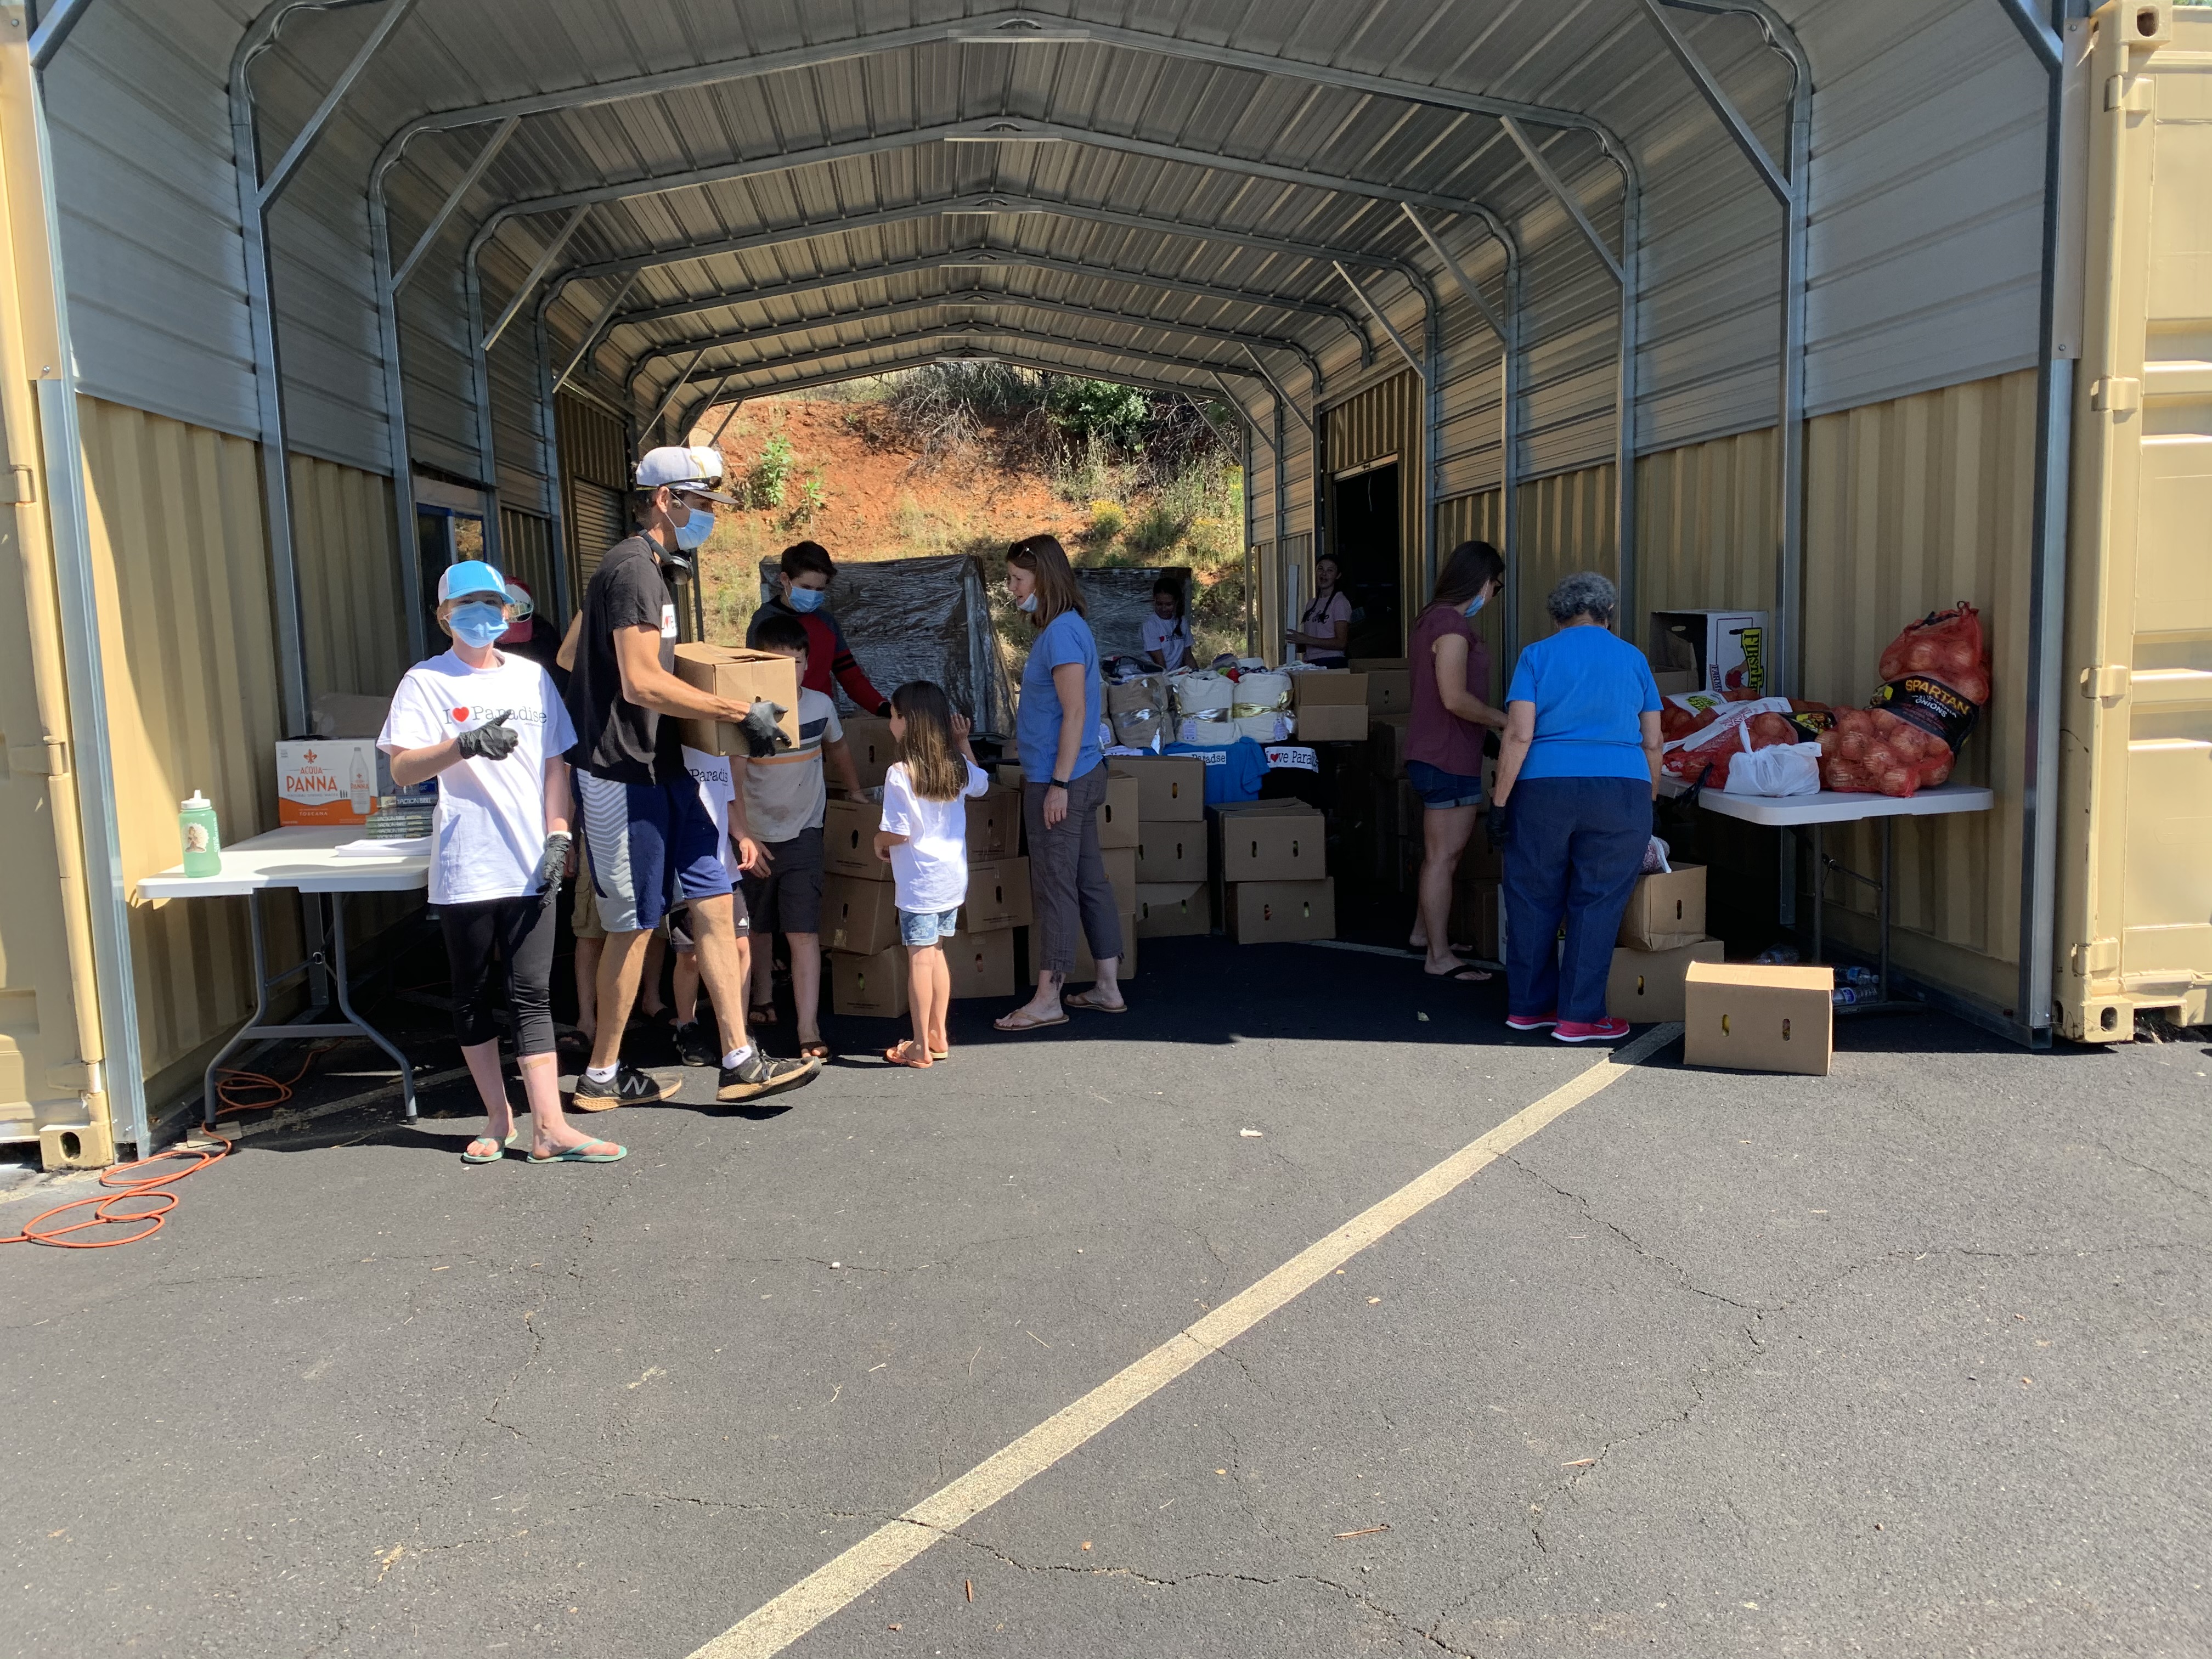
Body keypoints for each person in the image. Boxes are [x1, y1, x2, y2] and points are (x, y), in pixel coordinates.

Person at [563, 444, 820, 1107]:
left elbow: (572, 653)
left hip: (669, 766)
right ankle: (601, 1075)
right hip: (625, 775)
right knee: (634, 924)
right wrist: (739, 710)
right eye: (700, 503)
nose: (708, 516)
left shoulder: (646, 570)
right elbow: (642, 681)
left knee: (711, 902)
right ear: (663, 499)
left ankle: (739, 1057)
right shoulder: (633, 571)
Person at [377, 561, 622, 1165]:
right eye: (468, 606)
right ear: (444, 617)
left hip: (531, 859)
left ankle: (551, 1128)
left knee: (532, 994)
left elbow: (554, 765)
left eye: (494, 605)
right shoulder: (426, 683)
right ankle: (497, 1116)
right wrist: (460, 745)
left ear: (510, 613)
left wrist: (560, 831)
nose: (482, 616)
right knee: (472, 993)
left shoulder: (534, 679)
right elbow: (402, 769)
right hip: (466, 860)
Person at [1491, 571, 1664, 1044]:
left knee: (1531, 895)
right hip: (1621, 790)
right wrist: (1648, 801)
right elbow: (1653, 741)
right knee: (1598, 901)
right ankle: (1580, 1017)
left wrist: (1500, 802)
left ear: (1556, 616)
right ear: (1609, 614)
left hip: (1543, 789)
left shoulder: (1537, 655)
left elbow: (1519, 733)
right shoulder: (1633, 659)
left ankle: (1528, 1007)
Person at [994, 534, 1126, 1031]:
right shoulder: (1062, 630)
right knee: (1088, 880)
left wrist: (1058, 785)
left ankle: (1049, 997)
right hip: (1074, 775)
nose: (1011, 588)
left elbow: (1075, 715)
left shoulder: (1063, 634)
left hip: (1063, 780)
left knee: (1055, 885)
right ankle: (1108, 987)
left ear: (1042, 579)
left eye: (1017, 579)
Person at [737, 610, 858, 1062]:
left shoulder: (821, 706)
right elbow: (729, 778)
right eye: (781, 663)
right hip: (754, 836)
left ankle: (808, 1026)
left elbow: (839, 747)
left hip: (804, 833)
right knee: (753, 930)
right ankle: (759, 1003)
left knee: (803, 931)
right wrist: (744, 833)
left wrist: (857, 791)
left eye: (801, 662)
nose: (794, 672)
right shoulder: (743, 712)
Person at [1407, 541, 1510, 983]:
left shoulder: (1432, 618)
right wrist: (1506, 722)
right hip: (1447, 756)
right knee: (1443, 859)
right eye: (1497, 586)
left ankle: (1423, 935)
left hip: (1442, 753)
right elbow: (1454, 698)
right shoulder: (1450, 626)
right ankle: (1439, 957)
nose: (1494, 595)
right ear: (1483, 581)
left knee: (1440, 856)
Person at [873, 681, 991, 1068]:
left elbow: (900, 830)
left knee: (920, 960)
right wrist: (963, 743)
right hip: (952, 879)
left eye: (893, 715)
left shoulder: (899, 773)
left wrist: (879, 840)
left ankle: (920, 1046)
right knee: (937, 954)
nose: (891, 722)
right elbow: (982, 783)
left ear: (907, 721)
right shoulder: (954, 764)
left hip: (920, 883)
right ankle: (938, 1035)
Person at [747, 539, 891, 715]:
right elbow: (756, 679)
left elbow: (850, 675)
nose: (812, 595)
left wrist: (882, 707)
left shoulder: (826, 622)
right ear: (785, 579)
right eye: (806, 587)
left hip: (821, 717)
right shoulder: (763, 622)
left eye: (819, 589)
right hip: (780, 718)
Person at [1286, 554, 1352, 667]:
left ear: (1338, 575)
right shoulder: (1312, 603)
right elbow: (1311, 640)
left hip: (1332, 661)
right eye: (1320, 569)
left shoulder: (1339, 602)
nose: (1324, 574)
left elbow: (1341, 643)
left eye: (1330, 570)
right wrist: (1295, 643)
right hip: (1311, 662)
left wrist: (1307, 639)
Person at [1142, 576, 1190, 671]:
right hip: (1159, 676)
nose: (1164, 609)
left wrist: (1198, 675)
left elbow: (1188, 656)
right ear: (1154, 600)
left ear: (1177, 602)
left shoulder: (1182, 622)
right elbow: (1160, 664)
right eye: (1159, 604)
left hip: (1177, 675)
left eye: (1169, 605)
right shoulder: (1150, 625)